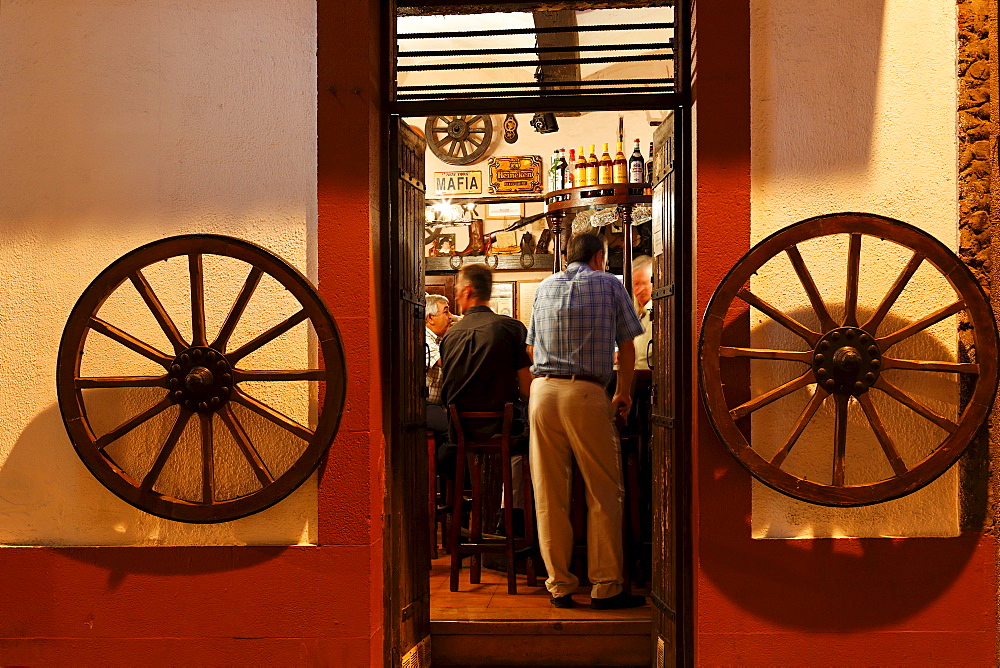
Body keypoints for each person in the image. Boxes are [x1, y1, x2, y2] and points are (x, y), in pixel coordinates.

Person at [526, 232, 647, 610]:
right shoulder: (610, 284)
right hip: (585, 392)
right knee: (604, 493)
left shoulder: (545, 287)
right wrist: (623, 392)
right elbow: (627, 345)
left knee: (549, 495)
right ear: (599, 257)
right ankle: (606, 587)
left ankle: (559, 586)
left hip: (542, 392)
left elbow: (531, 346)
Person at [439, 264, 533, 522]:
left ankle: (485, 518)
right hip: (503, 434)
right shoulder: (512, 329)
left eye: (457, 291)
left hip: (459, 439)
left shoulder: (449, 337)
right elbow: (526, 389)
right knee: (532, 438)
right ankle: (513, 520)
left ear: (468, 291)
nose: (456, 297)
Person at [425, 294, 452, 448]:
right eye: (446, 312)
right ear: (430, 318)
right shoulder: (424, 337)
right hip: (424, 406)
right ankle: (444, 472)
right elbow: (445, 362)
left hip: (437, 405)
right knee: (454, 432)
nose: (450, 317)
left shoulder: (438, 339)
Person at [631, 255, 654, 370]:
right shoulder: (631, 309)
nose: (640, 289)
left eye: (645, 283)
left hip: (650, 379)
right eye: (636, 284)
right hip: (632, 377)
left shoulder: (660, 312)